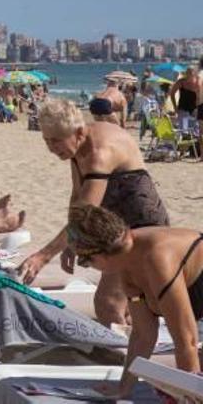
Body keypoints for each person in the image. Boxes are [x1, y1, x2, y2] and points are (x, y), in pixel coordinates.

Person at [18, 99, 169, 325]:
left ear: (78, 132)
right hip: (114, 227)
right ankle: (134, 344)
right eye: (47, 141)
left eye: (56, 141)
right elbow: (77, 196)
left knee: (109, 303)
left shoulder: (100, 153)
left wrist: (43, 256)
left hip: (143, 227)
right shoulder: (77, 145)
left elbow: (86, 214)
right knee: (125, 303)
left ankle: (128, 354)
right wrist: (71, 243)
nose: (51, 148)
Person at [64, 204, 203, 399]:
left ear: (100, 254)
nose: (88, 267)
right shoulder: (125, 260)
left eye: (84, 262)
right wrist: (123, 388)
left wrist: (188, 398)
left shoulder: (157, 258)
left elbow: (186, 341)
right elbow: (143, 334)